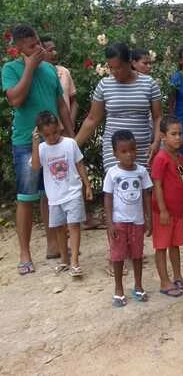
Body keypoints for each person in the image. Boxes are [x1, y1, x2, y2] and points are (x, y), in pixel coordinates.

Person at [2, 24, 74, 274]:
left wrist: (71, 135)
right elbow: (16, 99)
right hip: (26, 140)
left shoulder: (50, 69)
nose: (37, 47)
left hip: (53, 140)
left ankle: (53, 245)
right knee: (26, 197)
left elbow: (61, 105)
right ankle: (24, 253)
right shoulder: (10, 69)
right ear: (19, 47)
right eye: (31, 45)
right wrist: (30, 67)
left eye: (37, 42)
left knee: (50, 194)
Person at [76, 43, 162, 170]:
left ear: (130, 63)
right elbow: (92, 119)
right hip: (114, 153)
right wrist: (72, 145)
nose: (115, 72)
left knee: (143, 188)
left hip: (142, 150)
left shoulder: (149, 84)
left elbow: (158, 117)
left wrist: (156, 142)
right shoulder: (104, 85)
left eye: (119, 67)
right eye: (111, 68)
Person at [31, 111, 92, 276]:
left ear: (59, 127)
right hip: (54, 197)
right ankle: (64, 259)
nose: (51, 137)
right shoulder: (42, 148)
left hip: (72, 192)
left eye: (54, 132)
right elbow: (36, 166)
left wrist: (87, 185)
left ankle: (75, 262)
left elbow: (80, 165)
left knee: (73, 225)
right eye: (47, 135)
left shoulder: (70, 143)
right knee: (58, 228)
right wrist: (35, 143)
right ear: (40, 134)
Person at [103, 130, 153, 307]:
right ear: (115, 153)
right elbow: (108, 197)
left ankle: (138, 286)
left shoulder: (141, 171)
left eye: (132, 150)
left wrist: (149, 218)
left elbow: (147, 195)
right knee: (118, 256)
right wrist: (109, 223)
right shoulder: (112, 173)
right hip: (118, 222)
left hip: (137, 222)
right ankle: (118, 289)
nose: (129, 154)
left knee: (137, 255)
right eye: (123, 151)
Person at [151, 116, 183, 297]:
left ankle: (178, 276)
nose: (178, 137)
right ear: (163, 136)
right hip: (163, 213)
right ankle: (164, 281)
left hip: (177, 212)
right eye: (174, 134)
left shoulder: (180, 158)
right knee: (161, 246)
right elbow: (157, 184)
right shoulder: (161, 158)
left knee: (175, 245)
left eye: (180, 133)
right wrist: (163, 210)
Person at [41, 37, 78, 128]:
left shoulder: (64, 72)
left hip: (64, 130)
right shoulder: (36, 75)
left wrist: (70, 124)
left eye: (55, 49)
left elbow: (74, 102)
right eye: (50, 50)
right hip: (45, 132)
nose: (55, 53)